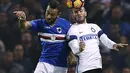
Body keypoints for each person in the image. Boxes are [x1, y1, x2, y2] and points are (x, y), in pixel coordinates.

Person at [14, 0, 72, 73]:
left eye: (52, 14)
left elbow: (72, 41)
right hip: (44, 63)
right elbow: (24, 27)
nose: (48, 16)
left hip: (61, 66)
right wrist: (22, 20)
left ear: (58, 14)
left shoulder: (67, 25)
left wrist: (72, 54)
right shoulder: (40, 23)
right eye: (47, 13)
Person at [67, 6, 128, 73]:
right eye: (76, 12)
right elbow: (74, 48)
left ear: (85, 13)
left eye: (81, 11)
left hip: (98, 66)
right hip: (84, 68)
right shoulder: (72, 29)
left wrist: (114, 45)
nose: (79, 13)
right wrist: (80, 48)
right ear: (73, 15)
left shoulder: (94, 26)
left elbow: (105, 39)